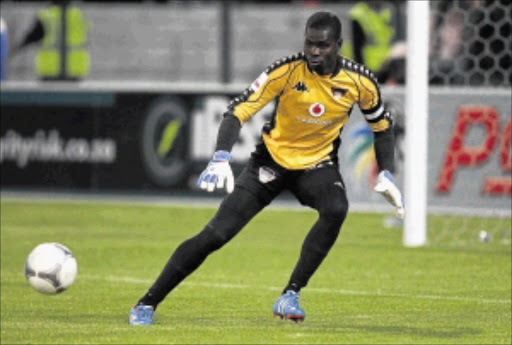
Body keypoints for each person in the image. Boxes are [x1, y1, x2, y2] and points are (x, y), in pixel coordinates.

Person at [129, 11, 404, 325]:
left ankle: (291, 295)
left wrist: (386, 173)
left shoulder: (360, 81)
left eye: (323, 46)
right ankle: (146, 303)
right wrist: (221, 156)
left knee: (336, 207)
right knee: (215, 235)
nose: (314, 51)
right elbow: (237, 111)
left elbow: (382, 127)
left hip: (316, 165)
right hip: (270, 163)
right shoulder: (286, 71)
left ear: (338, 45)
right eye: (309, 43)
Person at [14, 0, 90, 80]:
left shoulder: (47, 16)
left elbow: (32, 37)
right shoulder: (79, 15)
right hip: (76, 69)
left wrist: (16, 48)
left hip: (50, 69)